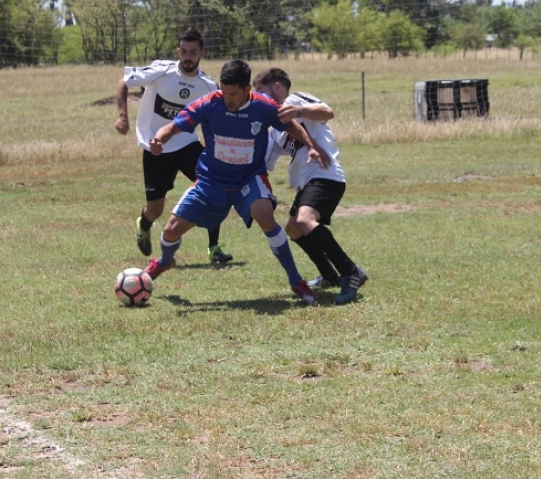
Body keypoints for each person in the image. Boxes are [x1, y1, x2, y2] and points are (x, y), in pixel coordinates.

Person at [144, 58, 329, 305]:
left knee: (264, 214)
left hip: (248, 178)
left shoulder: (263, 107)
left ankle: (297, 281)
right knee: (170, 230)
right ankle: (165, 262)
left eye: (233, 93)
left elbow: (291, 126)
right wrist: (158, 140)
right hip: (212, 180)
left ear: (246, 90)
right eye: (223, 91)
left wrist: (311, 145)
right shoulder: (210, 103)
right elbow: (174, 127)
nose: (227, 98)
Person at [114, 27, 233, 265]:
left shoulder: (208, 86)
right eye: (184, 51)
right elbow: (123, 82)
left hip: (187, 144)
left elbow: (219, 114)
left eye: (193, 52)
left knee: (215, 187)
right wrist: (122, 117)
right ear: (178, 51)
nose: (188, 57)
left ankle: (214, 247)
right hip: (155, 148)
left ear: (202, 53)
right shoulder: (161, 71)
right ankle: (143, 224)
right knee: (155, 210)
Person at [253, 67, 368, 305]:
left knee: (305, 221)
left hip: (326, 175)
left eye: (261, 92)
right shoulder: (276, 129)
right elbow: (263, 161)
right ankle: (329, 275)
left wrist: (299, 110)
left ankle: (351, 272)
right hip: (307, 182)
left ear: (276, 87)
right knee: (294, 228)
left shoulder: (296, 100)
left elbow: (328, 112)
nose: (260, 98)